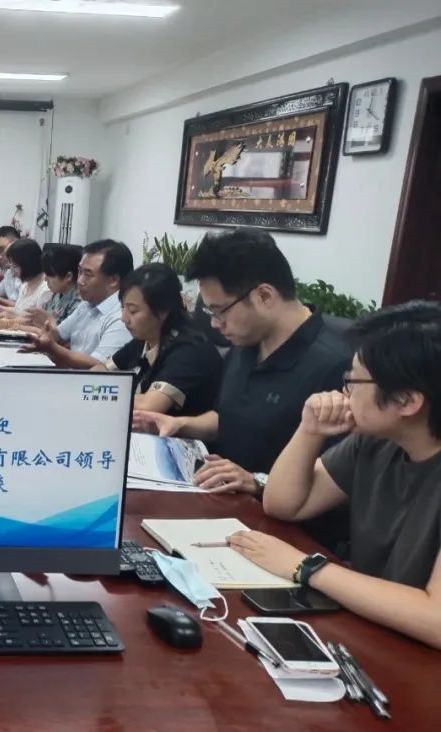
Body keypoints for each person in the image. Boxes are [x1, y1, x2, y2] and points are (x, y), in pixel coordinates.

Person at [228, 302, 441, 649]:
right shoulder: (375, 442)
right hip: (374, 633)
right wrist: (310, 430)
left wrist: (307, 568)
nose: (344, 392)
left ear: (406, 401)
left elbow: (436, 619)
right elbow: (284, 505)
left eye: (352, 380)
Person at [133, 228, 349, 496]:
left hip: (275, 515)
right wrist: (181, 425)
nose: (214, 324)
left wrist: (257, 481)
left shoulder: (337, 367)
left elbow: (340, 477)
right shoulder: (246, 341)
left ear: (264, 296)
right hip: (219, 494)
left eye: (219, 311)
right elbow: (228, 417)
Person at [95, 263, 222, 416]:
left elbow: (150, 405)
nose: (124, 318)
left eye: (133, 311)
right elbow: (101, 370)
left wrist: (96, 394)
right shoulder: (145, 338)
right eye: (123, 308)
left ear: (162, 310)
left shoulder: (189, 350)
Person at [22, 239, 133, 369]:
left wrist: (52, 348)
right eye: (80, 271)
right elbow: (59, 335)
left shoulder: (121, 317)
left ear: (113, 280)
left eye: (88, 275)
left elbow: (100, 365)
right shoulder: (86, 305)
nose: (79, 281)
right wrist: (48, 328)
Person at [0, 238, 51, 328]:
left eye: (14, 266)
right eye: (10, 266)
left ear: (28, 263)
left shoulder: (46, 288)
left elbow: (36, 322)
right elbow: (19, 311)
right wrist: (4, 312)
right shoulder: (26, 283)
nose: (12, 271)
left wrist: (8, 322)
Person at [34, 244, 82, 326]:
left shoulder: (78, 302)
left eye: (50, 275)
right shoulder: (57, 294)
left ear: (68, 276)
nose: (45, 279)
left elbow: (63, 332)